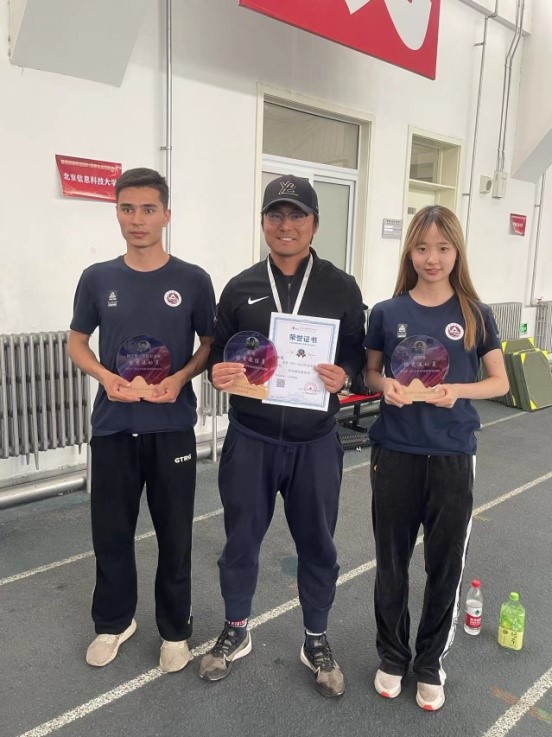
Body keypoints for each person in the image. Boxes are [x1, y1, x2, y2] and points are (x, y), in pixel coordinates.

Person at [199, 175, 365, 697]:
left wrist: (346, 374)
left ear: (314, 223)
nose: (285, 225)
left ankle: (315, 638)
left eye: (296, 215)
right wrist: (217, 374)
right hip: (251, 437)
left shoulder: (342, 286)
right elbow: (218, 354)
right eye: (276, 214)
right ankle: (236, 627)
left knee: (318, 544)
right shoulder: (240, 286)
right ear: (264, 222)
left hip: (315, 442)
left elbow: (358, 353)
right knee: (240, 541)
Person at [68, 167, 216, 673]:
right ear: (117, 213)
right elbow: (76, 342)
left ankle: (174, 632)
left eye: (148, 209)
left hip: (171, 427)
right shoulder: (97, 278)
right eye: (127, 209)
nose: (137, 219)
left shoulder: (193, 280)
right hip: (113, 426)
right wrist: (105, 377)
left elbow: (210, 344)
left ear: (166, 215)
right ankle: (114, 622)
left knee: (175, 535)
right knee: (111, 533)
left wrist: (179, 378)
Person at [363, 205, 508, 711]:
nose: (432, 258)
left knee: (444, 565)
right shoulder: (387, 312)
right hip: (395, 453)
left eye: (442, 248)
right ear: (410, 252)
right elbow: (370, 373)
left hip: (452, 455)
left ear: (456, 252)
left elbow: (499, 381)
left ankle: (429, 663)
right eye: (422, 248)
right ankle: (392, 655)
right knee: (391, 564)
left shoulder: (475, 314)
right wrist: (386, 386)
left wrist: (456, 391)